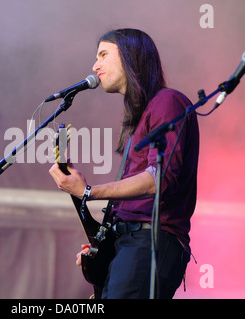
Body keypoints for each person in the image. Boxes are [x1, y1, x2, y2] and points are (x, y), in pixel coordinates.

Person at [49, 28, 199, 299]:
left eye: (104, 54)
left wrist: (88, 191)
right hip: (129, 245)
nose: (95, 65)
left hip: (150, 242)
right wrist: (103, 250)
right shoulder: (140, 119)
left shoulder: (167, 101)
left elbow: (159, 178)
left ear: (131, 57)